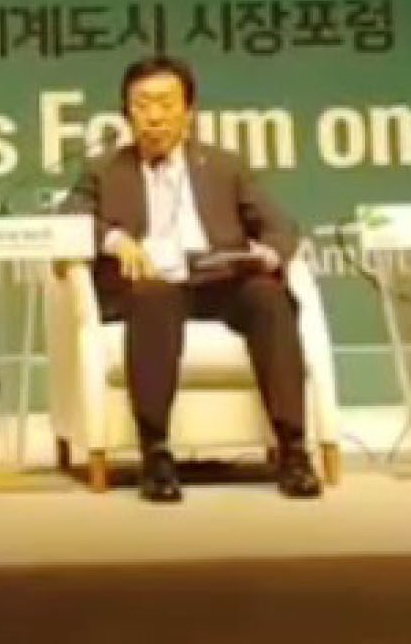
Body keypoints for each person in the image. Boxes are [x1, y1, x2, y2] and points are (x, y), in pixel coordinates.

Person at [64, 54, 322, 502]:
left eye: (166, 103)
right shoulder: (104, 170)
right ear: (127, 113)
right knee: (154, 296)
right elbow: (70, 218)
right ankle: (156, 453)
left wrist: (265, 255)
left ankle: (294, 450)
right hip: (151, 285)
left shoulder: (224, 166)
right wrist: (116, 240)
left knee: (268, 297)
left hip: (220, 280)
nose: (155, 116)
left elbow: (281, 227)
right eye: (143, 104)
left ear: (189, 111)